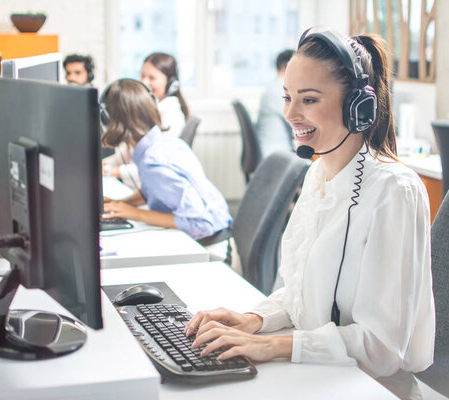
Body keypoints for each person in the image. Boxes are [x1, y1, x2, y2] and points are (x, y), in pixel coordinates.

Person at [184, 28, 434, 400]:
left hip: (370, 389)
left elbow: (382, 348)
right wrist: (253, 321)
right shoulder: (318, 173)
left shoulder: (394, 191)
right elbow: (301, 296)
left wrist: (274, 346)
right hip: (315, 378)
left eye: (309, 99)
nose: (290, 113)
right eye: (287, 97)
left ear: (357, 106)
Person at [101, 79, 232, 260]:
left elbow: (200, 223)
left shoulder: (153, 161)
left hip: (212, 250)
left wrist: (137, 214)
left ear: (109, 119)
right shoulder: (161, 142)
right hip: (207, 240)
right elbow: (154, 190)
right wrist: (123, 204)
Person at [104, 52, 189, 187]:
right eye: (142, 76)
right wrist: (107, 164)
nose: (144, 82)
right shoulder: (153, 108)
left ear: (171, 84)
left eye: (152, 78)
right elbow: (132, 152)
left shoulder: (170, 112)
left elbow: (155, 163)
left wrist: (113, 171)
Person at [255, 49, 295, 159]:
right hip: (277, 155)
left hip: (276, 151)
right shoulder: (280, 91)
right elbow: (295, 122)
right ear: (288, 66)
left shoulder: (273, 86)